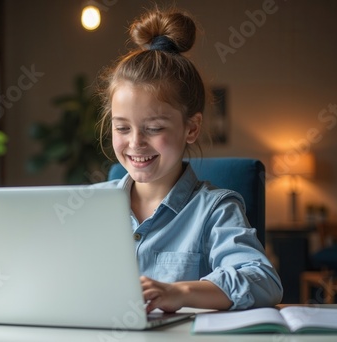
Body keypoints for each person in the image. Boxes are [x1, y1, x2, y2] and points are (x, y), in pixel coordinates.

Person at [95, 7, 283, 313]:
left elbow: (263, 281)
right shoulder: (89, 204)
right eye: (122, 127)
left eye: (154, 128)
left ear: (191, 128)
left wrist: (179, 292)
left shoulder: (215, 210)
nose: (135, 142)